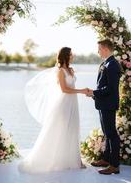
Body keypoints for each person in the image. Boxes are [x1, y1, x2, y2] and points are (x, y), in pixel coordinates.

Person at [19, 47, 88, 173]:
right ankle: (53, 159)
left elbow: (71, 86)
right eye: (71, 54)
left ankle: (75, 160)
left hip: (73, 103)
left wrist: (82, 92)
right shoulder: (61, 71)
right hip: (63, 104)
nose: (73, 56)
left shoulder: (71, 70)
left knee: (73, 128)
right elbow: (64, 89)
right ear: (66, 56)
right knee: (59, 130)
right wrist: (82, 91)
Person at [86, 39, 121, 175]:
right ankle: (106, 159)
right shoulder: (106, 63)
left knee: (112, 134)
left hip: (108, 104)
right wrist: (94, 94)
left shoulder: (112, 65)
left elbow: (110, 88)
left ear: (106, 49)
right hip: (103, 103)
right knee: (107, 133)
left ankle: (114, 165)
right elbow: (103, 85)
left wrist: (94, 92)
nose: (98, 51)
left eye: (99, 48)